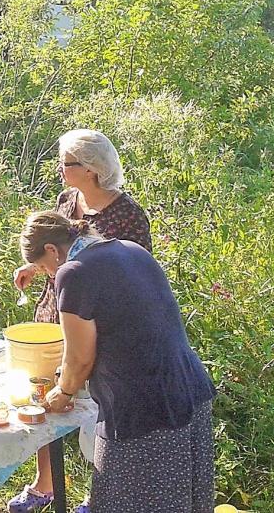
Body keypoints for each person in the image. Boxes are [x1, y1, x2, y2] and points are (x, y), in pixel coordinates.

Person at [19, 211, 215, 513]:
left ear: (51, 250)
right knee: (184, 503)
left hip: (144, 409)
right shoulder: (130, 249)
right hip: (189, 389)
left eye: (44, 267)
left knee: (126, 503)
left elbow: (80, 358)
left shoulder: (72, 273)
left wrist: (63, 391)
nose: (48, 274)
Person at [8, 129, 152, 513]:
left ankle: (96, 494)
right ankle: (45, 484)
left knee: (98, 409)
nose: (59, 169)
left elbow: (137, 277)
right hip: (56, 311)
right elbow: (55, 249)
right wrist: (35, 267)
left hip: (100, 326)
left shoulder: (129, 216)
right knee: (44, 392)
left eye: (66, 164)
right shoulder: (68, 200)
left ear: (91, 169)